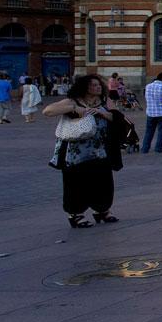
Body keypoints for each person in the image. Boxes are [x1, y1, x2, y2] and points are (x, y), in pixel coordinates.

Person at [43, 74, 127, 228]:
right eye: (94, 85)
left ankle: (102, 210)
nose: (98, 87)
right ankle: (75, 214)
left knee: (103, 182)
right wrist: (75, 108)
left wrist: (102, 113)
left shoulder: (104, 101)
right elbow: (48, 111)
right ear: (85, 87)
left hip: (100, 150)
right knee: (76, 184)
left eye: (99, 85)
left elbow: (117, 117)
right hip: (76, 154)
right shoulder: (73, 101)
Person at [141, 72, 162, 152]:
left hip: (150, 112)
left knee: (149, 131)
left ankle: (145, 148)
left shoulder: (148, 86)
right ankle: (158, 148)